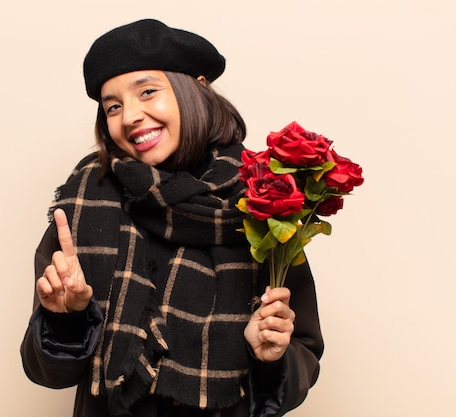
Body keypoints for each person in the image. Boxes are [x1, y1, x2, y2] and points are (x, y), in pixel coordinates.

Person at [20, 18, 324, 417]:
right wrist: (66, 319)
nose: (129, 116)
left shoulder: (262, 204)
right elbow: (47, 373)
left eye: (147, 91)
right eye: (113, 106)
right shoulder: (85, 204)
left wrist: (267, 356)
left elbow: (301, 355)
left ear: (196, 88)